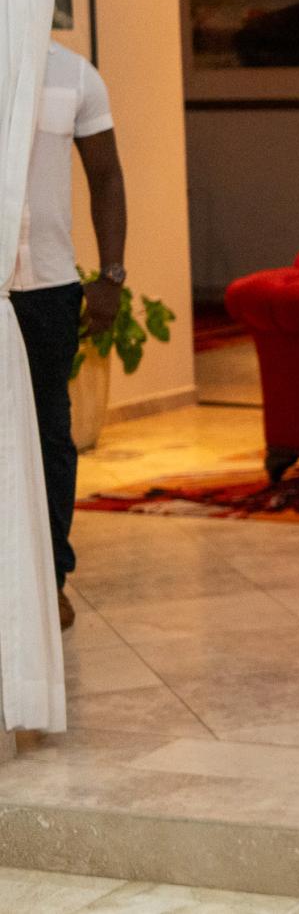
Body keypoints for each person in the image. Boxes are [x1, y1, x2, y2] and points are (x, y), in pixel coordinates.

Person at [13, 41, 128, 630]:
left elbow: (106, 178)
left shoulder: (74, 75)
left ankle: (51, 577)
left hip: (48, 290)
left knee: (50, 439)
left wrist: (111, 274)